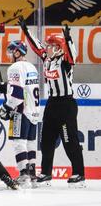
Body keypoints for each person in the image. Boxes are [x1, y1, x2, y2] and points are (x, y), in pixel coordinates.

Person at [19, 17, 85, 187]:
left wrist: (68, 39)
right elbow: (36, 46)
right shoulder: (47, 60)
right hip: (52, 104)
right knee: (46, 141)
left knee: (69, 140)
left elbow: (72, 55)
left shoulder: (66, 62)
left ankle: (79, 173)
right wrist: (26, 31)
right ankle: (46, 173)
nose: (47, 48)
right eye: (48, 46)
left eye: (51, 46)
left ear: (58, 48)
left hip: (66, 105)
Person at [0, 40, 40, 188]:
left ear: (17, 52)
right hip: (33, 111)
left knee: (18, 143)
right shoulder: (31, 67)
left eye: (11, 51)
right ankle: (32, 173)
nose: (9, 55)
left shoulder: (15, 67)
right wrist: (7, 88)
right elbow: (23, 88)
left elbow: (16, 95)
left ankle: (24, 174)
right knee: (30, 143)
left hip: (21, 110)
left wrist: (6, 107)